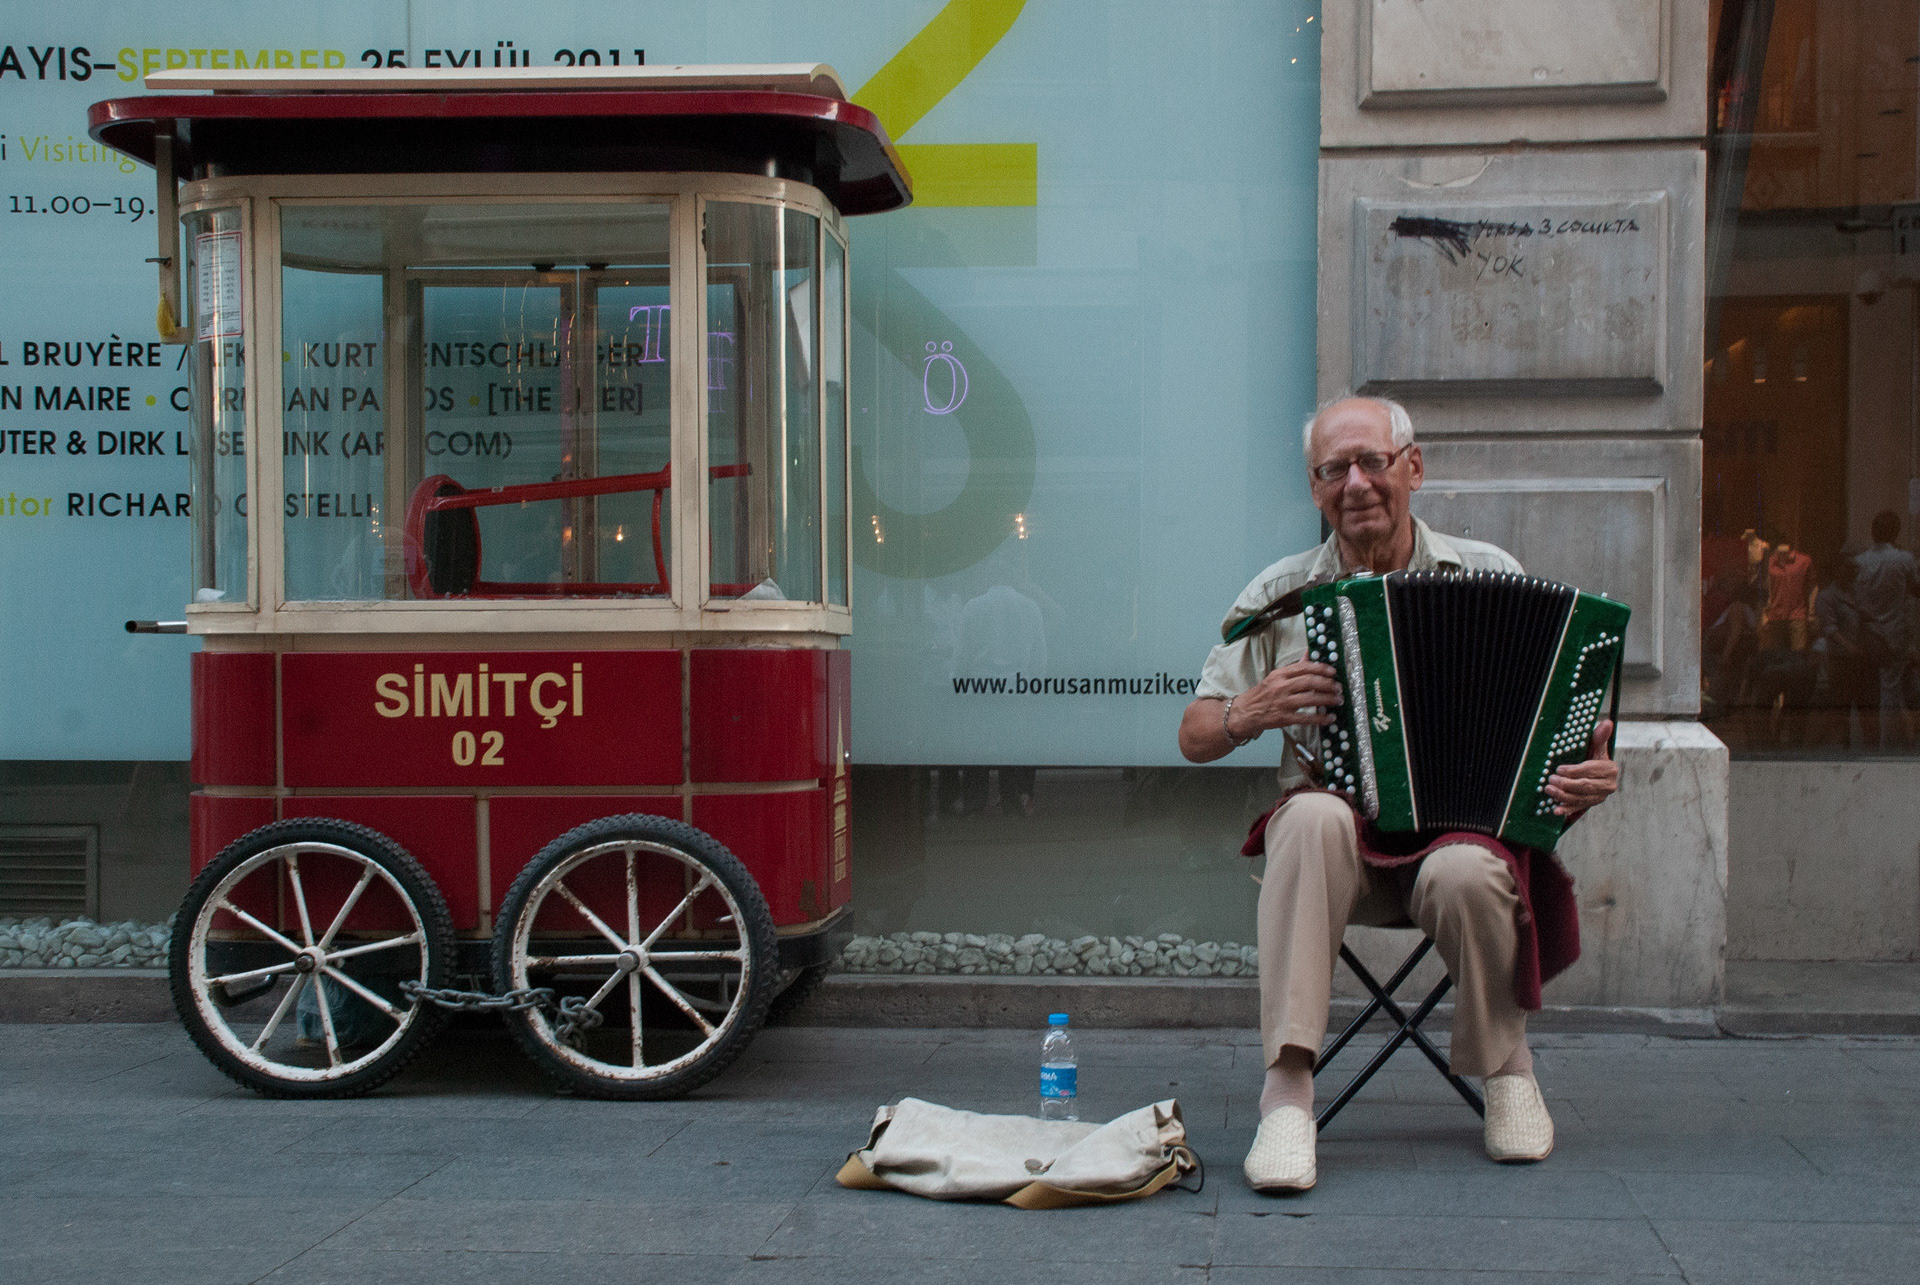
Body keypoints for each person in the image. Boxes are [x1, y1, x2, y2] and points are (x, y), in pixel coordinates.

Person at [1177, 395, 1619, 1193]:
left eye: (1371, 461)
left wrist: (1586, 777)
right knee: (1309, 815)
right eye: (1332, 469)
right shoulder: (1280, 596)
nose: (1355, 483)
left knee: (1466, 870)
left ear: (1413, 466)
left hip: (1454, 851)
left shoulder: (1491, 576)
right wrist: (1251, 709)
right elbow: (1194, 732)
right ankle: (1287, 1093)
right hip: (1337, 858)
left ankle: (1508, 1069)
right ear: (1314, 489)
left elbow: (1558, 742)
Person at [1853, 510, 1920, 750]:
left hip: (1869, 633)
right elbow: (1916, 588)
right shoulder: (1903, 559)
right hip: (1894, 633)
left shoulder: (1860, 562)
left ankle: (1893, 740)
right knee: (1890, 689)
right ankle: (1887, 745)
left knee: (1880, 688)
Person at [1761, 533, 1814, 652]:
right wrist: (1765, 613)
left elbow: (1812, 586)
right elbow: (1767, 587)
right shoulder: (1770, 562)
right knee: (1775, 654)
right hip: (1775, 615)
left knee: (1798, 653)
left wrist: (1811, 610)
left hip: (1798, 614)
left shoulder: (1804, 560)